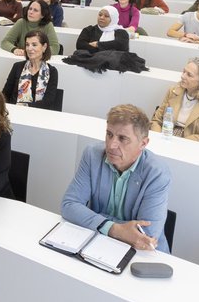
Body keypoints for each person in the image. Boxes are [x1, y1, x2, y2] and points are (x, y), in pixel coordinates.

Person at [61, 104, 171, 252]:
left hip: (144, 253)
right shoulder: (92, 155)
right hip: (99, 243)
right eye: (109, 134)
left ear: (143, 143)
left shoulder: (157, 173)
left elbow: (146, 235)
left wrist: (94, 218)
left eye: (122, 138)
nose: (112, 145)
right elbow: (69, 205)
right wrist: (116, 229)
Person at [149, 59, 199, 144]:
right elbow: (156, 120)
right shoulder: (173, 91)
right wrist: (159, 138)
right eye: (184, 71)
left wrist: (177, 143)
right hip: (166, 136)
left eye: (189, 75)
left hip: (193, 143)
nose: (183, 76)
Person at [1, 30, 60, 111]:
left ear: (44, 47)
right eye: (27, 45)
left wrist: (24, 107)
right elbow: (5, 94)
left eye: (34, 45)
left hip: (39, 115)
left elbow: (48, 102)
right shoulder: (17, 66)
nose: (29, 48)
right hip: (14, 113)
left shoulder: (52, 71)